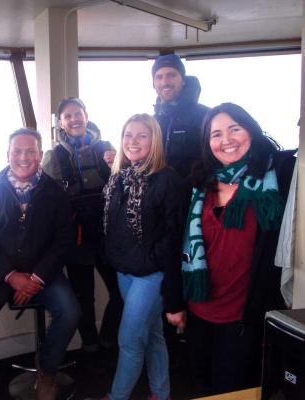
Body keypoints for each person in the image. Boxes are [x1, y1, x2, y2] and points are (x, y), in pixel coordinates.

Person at [0, 128, 80, 400]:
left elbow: (63, 240)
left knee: (71, 311)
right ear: (8, 154)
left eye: (30, 151)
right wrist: (12, 276)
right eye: (17, 151)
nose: (23, 157)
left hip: (44, 274)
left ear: (39, 155)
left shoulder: (55, 192)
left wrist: (35, 279)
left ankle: (47, 370)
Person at [181, 103, 296, 396]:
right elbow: (175, 245)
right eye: (216, 134)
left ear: (251, 130)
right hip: (199, 310)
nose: (226, 140)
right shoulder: (198, 184)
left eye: (235, 129)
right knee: (201, 386)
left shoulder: (279, 175)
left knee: (233, 389)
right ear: (208, 144)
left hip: (243, 317)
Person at [100, 114, 185, 400]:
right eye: (127, 135)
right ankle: (162, 393)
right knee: (153, 335)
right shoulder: (120, 178)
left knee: (129, 340)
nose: (132, 142)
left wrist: (158, 269)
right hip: (125, 272)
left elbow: (174, 238)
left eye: (141, 136)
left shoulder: (167, 180)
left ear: (155, 141)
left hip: (151, 275)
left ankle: (117, 397)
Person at [41, 97, 123, 371]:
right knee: (82, 297)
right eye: (67, 116)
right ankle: (91, 346)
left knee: (120, 292)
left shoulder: (108, 148)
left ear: (87, 116)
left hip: (109, 232)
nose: (74, 119)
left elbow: (126, 183)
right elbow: (47, 197)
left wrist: (116, 164)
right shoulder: (53, 156)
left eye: (78, 113)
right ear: (61, 123)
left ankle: (109, 338)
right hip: (75, 237)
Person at [152, 53, 210, 179]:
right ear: (153, 84)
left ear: (183, 80)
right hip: (161, 194)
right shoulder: (152, 122)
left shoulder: (207, 116)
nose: (165, 82)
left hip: (198, 192)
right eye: (159, 77)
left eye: (171, 75)